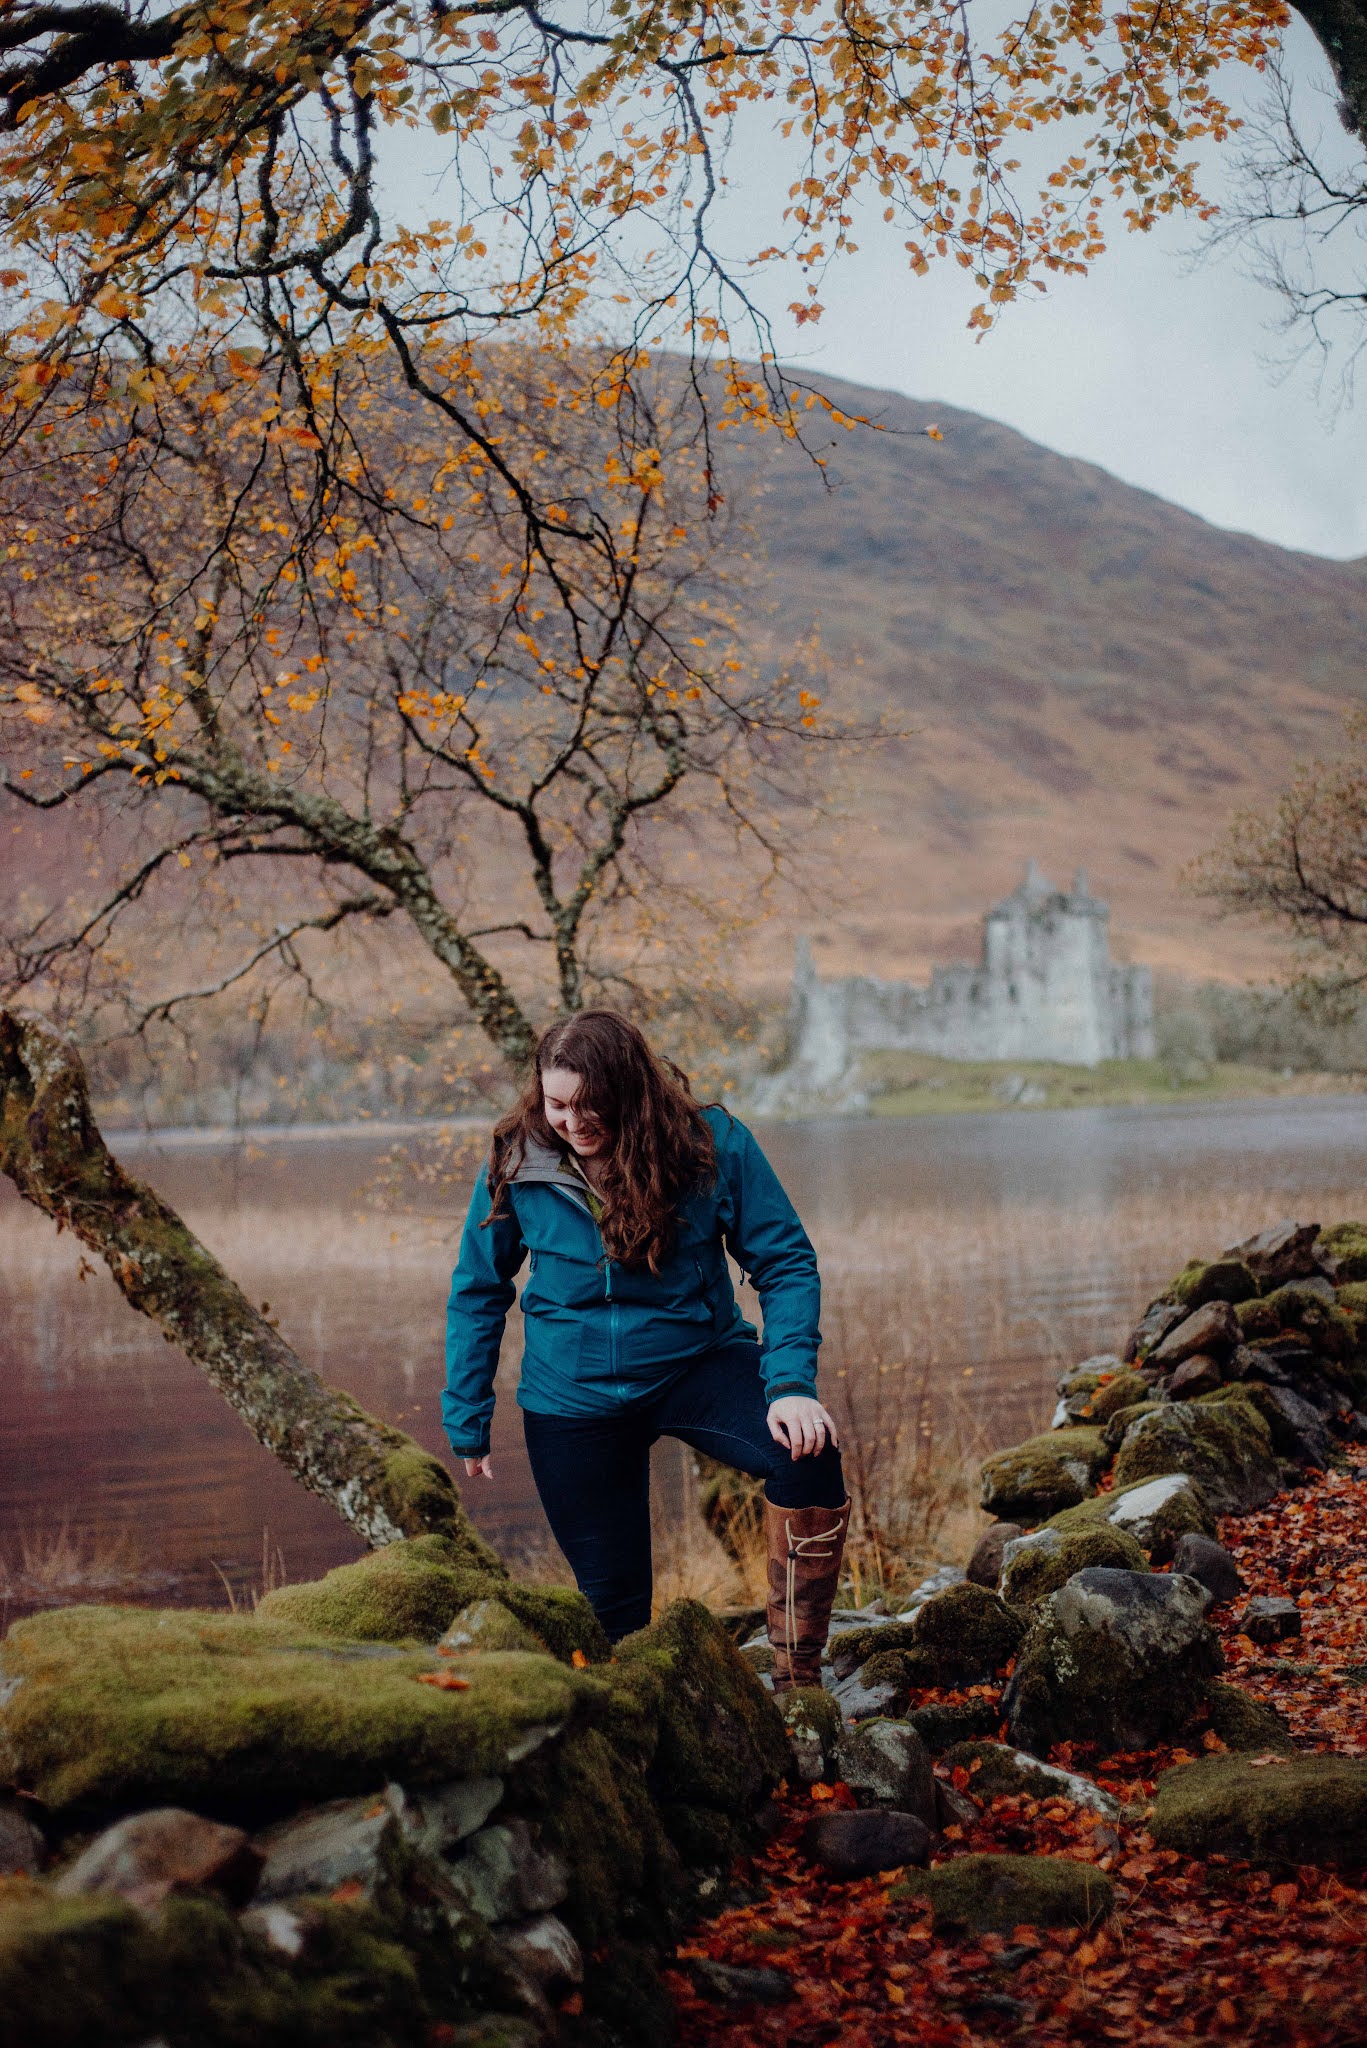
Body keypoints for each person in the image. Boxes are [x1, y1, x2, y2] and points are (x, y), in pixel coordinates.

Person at [442, 1009, 849, 1688]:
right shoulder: (518, 1156)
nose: (571, 1123)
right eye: (556, 1104)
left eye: (590, 1105)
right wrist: (466, 1413)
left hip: (697, 1363)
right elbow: (479, 1289)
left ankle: (798, 1681)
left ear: (631, 1092)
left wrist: (790, 1385)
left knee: (808, 1453)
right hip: (570, 1397)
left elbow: (785, 1263)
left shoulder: (708, 1144)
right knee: (614, 1614)